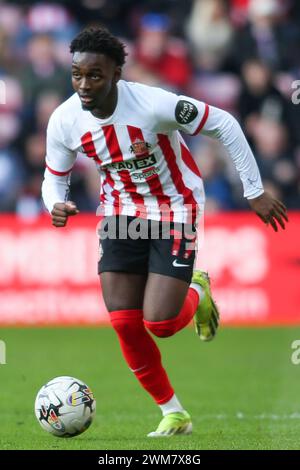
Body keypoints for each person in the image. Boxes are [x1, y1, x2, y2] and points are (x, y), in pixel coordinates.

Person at [41, 27, 288, 437]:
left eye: (95, 75)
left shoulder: (154, 105)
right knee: (123, 322)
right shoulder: (65, 120)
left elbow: (224, 123)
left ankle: (199, 289)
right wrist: (55, 204)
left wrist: (254, 190)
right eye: (77, 74)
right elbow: (54, 177)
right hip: (120, 214)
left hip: (174, 208)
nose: (84, 85)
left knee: (161, 324)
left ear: (117, 73)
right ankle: (173, 412)